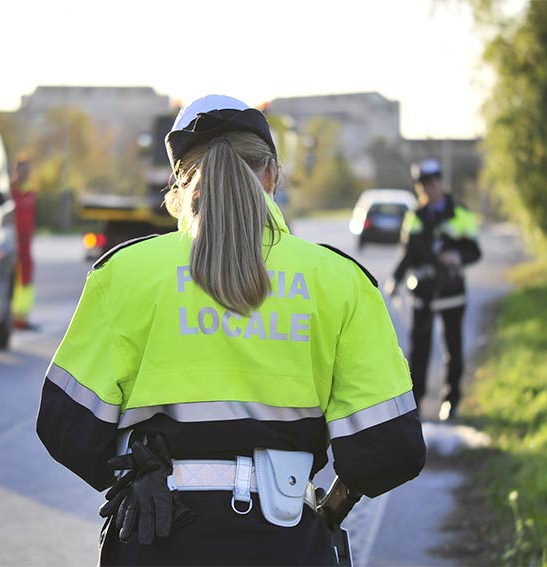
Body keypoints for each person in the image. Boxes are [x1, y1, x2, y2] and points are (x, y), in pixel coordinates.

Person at [36, 95, 426, 566]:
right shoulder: (339, 281)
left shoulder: (126, 273)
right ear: (272, 176)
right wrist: (330, 508)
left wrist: (131, 471)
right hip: (285, 544)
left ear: (178, 185)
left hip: (157, 542)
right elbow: (390, 449)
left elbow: (64, 425)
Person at [386, 159, 482, 421]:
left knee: (453, 348)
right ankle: (415, 404)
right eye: (422, 186)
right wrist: (395, 279)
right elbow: (407, 254)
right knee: (419, 351)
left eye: (431, 184)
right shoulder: (415, 216)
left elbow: (475, 251)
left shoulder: (460, 212)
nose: (428, 189)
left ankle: (451, 402)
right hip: (424, 294)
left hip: (452, 292)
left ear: (440, 183)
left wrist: (457, 257)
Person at [10, 159, 36, 330]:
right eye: (21, 171)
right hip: (11, 243)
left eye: (27, 171)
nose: (24, 174)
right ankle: (11, 316)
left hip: (26, 244)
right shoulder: (10, 193)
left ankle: (23, 316)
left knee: (26, 278)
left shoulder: (31, 194)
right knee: (11, 278)